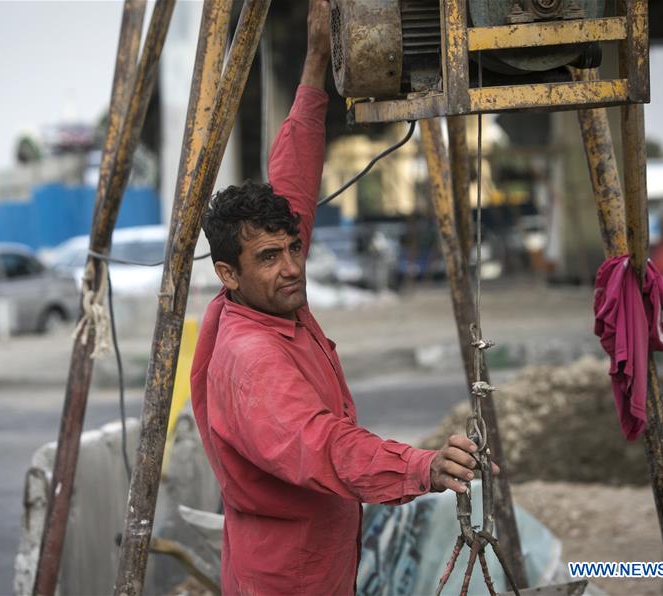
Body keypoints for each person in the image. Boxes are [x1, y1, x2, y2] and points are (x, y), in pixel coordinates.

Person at [190, 2, 492, 593]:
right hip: (290, 577)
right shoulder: (253, 359)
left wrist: (314, 66)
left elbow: (294, 184)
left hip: (316, 555)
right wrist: (421, 466)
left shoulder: (263, 297)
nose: (292, 269)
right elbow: (321, 444)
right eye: (271, 259)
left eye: (292, 250)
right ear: (228, 273)